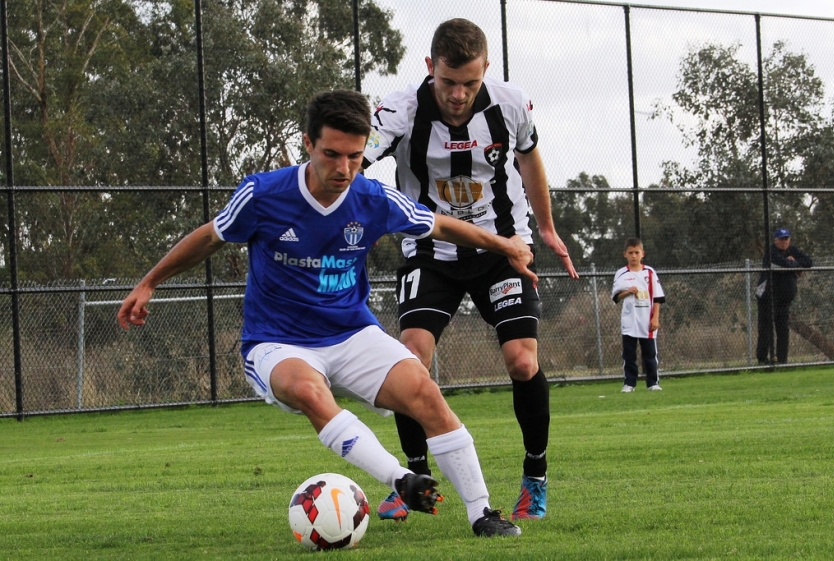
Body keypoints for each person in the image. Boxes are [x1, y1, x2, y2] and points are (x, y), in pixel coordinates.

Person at [117, 90, 527, 538]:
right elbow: (211, 237)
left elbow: (440, 224)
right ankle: (399, 480)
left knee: (424, 393)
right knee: (310, 391)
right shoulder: (263, 194)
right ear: (308, 144)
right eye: (332, 154)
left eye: (354, 156)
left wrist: (504, 243)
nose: (344, 168)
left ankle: (482, 513)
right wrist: (149, 282)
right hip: (278, 340)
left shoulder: (373, 199)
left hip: (351, 332)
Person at [363, 18, 579, 522]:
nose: (458, 94)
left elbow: (529, 161)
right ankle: (412, 479)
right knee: (409, 359)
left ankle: (535, 477)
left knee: (523, 361)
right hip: (429, 251)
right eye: (447, 81)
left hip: (501, 249)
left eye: (470, 83)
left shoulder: (510, 104)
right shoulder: (399, 111)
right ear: (429, 69)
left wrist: (544, 228)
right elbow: (356, 158)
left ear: (486, 71)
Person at [611, 238, 665, 392]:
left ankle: (653, 383)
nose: (633, 256)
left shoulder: (649, 272)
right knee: (629, 355)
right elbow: (615, 297)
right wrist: (627, 292)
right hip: (629, 321)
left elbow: (658, 297)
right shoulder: (621, 273)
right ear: (625, 254)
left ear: (642, 254)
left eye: (636, 252)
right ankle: (629, 383)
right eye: (630, 253)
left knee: (649, 354)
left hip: (647, 321)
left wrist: (655, 318)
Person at [755, 227, 812, 365]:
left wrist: (794, 262)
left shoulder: (792, 250)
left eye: (786, 239)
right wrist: (795, 264)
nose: (784, 242)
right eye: (781, 239)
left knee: (783, 331)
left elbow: (808, 262)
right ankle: (763, 360)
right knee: (766, 330)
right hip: (768, 298)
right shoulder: (771, 253)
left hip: (784, 300)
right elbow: (785, 264)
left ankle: (781, 361)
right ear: (775, 240)